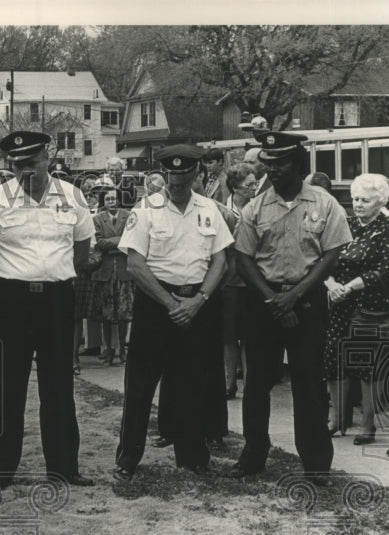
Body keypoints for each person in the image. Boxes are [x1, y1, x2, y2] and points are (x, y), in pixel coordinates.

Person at [230, 131, 352, 483]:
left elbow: (331, 256)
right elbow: (243, 258)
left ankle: (315, 464)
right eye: (268, 164)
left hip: (308, 302)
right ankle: (253, 455)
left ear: (298, 164)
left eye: (281, 163)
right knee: (257, 384)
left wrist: (294, 296)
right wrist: (273, 299)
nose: (274, 171)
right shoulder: (255, 207)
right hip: (264, 302)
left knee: (309, 384)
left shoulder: (324, 203)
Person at [0, 131, 95, 488]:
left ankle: (63, 466)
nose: (24, 171)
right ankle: (0, 470)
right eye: (16, 165)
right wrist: (6, 286)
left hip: (57, 300)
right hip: (12, 301)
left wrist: (54, 277)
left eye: (31, 163)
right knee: (9, 387)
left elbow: (80, 249)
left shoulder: (72, 196)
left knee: (58, 386)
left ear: (47, 157)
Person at [112, 145, 234, 482]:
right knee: (140, 385)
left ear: (196, 175)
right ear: (165, 175)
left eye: (184, 178)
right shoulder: (146, 210)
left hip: (197, 304)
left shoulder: (210, 208)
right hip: (156, 304)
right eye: (172, 178)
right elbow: (135, 263)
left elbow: (220, 259)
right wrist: (170, 304)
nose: (177, 184)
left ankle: (192, 455)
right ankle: (128, 457)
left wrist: (199, 300)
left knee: (192, 383)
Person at [322, 173, 389, 445]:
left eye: (365, 200)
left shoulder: (388, 225)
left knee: (365, 364)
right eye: (355, 198)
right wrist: (331, 283)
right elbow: (323, 258)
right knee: (334, 357)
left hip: (372, 304)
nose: (357, 204)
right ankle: (337, 418)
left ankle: (368, 424)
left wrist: (352, 286)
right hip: (339, 300)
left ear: (380, 202)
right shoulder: (344, 223)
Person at [221, 162, 259, 399]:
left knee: (250, 335)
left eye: (255, 183)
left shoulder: (259, 208)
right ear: (235, 187)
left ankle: (251, 383)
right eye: (249, 185)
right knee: (228, 335)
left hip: (253, 280)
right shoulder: (222, 211)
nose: (254, 188)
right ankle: (229, 382)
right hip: (228, 280)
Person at [88, 187, 133, 367]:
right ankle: (108, 350)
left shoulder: (129, 216)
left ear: (119, 200)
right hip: (104, 271)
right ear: (103, 202)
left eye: (114, 199)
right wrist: (119, 241)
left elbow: (130, 239)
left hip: (124, 269)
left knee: (124, 312)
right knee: (105, 314)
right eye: (108, 199)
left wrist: (113, 242)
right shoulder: (97, 219)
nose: (111, 202)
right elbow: (99, 242)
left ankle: (122, 348)